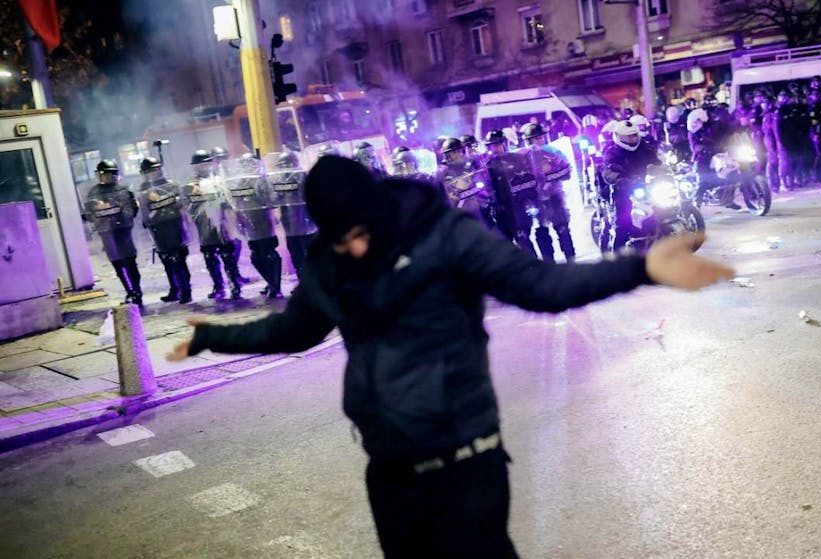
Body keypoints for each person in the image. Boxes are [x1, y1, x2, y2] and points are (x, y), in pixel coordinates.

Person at [167, 155, 735, 558]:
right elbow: (292, 330)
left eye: (362, 233)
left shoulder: (443, 234)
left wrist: (641, 269)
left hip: (466, 464)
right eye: (342, 240)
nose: (356, 248)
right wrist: (214, 337)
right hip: (389, 474)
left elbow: (540, 286)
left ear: (377, 208)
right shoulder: (330, 264)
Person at [183, 150, 242, 300]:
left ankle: (234, 284)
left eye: (207, 164)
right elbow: (188, 206)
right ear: (195, 167)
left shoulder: (220, 181)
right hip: (204, 227)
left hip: (222, 225)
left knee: (227, 256)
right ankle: (219, 286)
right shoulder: (190, 185)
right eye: (200, 165)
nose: (204, 168)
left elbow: (230, 202)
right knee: (210, 257)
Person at [84, 160, 143, 307]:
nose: (105, 177)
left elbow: (132, 210)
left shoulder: (123, 189)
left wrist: (117, 213)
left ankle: (136, 291)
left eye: (108, 174)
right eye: (103, 174)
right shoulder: (94, 192)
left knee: (130, 262)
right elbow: (90, 213)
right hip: (106, 232)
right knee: (118, 264)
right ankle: (130, 291)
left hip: (123, 230)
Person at [226, 153, 283, 298]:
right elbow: (235, 201)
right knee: (256, 256)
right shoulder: (239, 182)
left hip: (263, 220)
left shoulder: (262, 180)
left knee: (269, 253)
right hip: (248, 222)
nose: (248, 168)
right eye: (245, 165)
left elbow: (272, 198)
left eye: (250, 164)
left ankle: (275, 287)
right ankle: (271, 283)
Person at [138, 157, 192, 303]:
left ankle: (185, 290)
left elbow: (180, 203)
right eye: (149, 171)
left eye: (155, 170)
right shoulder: (143, 189)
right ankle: (175, 289)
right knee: (166, 260)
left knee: (179, 258)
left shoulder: (171, 185)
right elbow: (144, 211)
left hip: (173, 225)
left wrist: (161, 198)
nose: (153, 174)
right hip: (157, 228)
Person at [602, 119, 662, 250]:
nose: (632, 139)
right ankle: (616, 257)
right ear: (618, 137)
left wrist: (665, 168)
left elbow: (657, 161)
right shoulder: (612, 152)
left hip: (647, 186)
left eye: (634, 135)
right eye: (627, 136)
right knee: (622, 223)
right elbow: (608, 171)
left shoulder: (644, 147)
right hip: (624, 190)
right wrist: (620, 180)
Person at [520, 122, 576, 262]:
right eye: (536, 138)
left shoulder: (553, 152)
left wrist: (548, 178)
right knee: (541, 230)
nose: (540, 141)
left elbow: (567, 171)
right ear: (528, 141)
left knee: (562, 228)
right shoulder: (522, 157)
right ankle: (547, 261)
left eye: (541, 137)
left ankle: (570, 258)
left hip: (554, 196)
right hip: (535, 200)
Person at [485, 129, 539, 255]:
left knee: (523, 238)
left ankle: (535, 268)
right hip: (499, 209)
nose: (495, 148)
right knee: (505, 243)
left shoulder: (516, 158)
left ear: (504, 143)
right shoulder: (488, 164)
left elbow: (527, 178)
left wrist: (528, 199)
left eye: (497, 144)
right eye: (492, 145)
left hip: (516, 206)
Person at [268, 151, 317, 280]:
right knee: (296, 254)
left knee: (311, 254)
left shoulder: (303, 176)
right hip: (290, 225)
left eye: (287, 165)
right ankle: (303, 282)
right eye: (282, 166)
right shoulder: (279, 181)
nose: (285, 169)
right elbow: (273, 201)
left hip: (306, 223)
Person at [211, 146, 251, 286]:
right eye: (219, 158)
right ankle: (232, 275)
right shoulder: (213, 175)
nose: (222, 161)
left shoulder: (232, 172)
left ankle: (235, 274)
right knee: (229, 245)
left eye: (224, 157)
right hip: (223, 212)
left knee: (237, 242)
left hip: (235, 209)